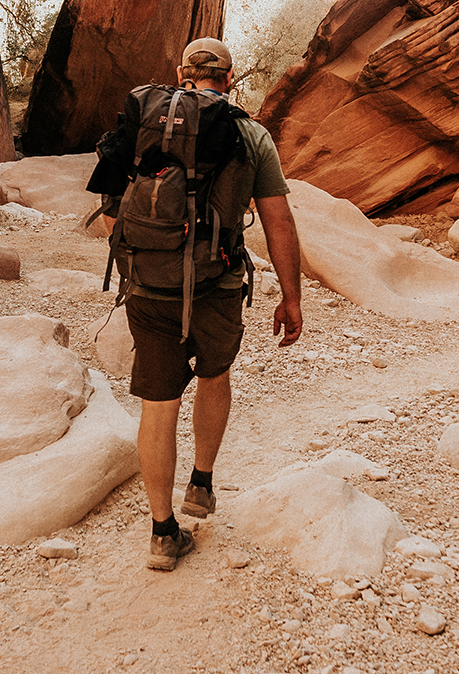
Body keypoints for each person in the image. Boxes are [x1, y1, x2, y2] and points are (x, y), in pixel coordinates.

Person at [89, 38, 303, 572]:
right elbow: (278, 219)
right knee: (214, 374)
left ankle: (163, 534)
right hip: (217, 285)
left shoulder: (140, 121)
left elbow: (109, 207)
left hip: (149, 288)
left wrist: (149, 252)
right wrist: (291, 295)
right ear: (229, 79)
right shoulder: (249, 134)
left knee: (157, 404)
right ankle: (201, 485)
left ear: (181, 72)